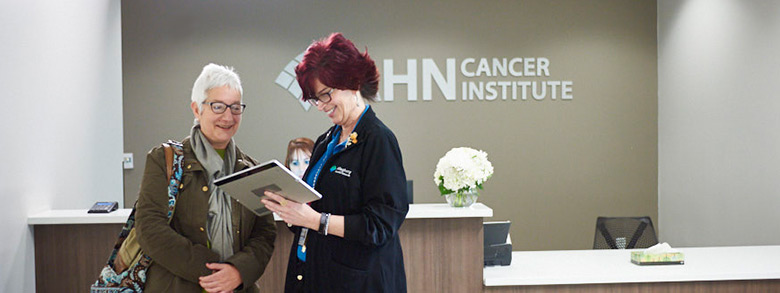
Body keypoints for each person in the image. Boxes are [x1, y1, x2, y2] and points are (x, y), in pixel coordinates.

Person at [262, 33, 409, 292]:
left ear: (352, 82)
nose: (321, 106)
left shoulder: (378, 140)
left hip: (358, 282)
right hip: (313, 273)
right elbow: (315, 205)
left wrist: (316, 220)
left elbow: (381, 225)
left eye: (326, 95)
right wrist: (290, 209)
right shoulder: (326, 140)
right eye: (315, 99)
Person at [136, 63, 276, 293]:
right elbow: (150, 228)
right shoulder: (165, 159)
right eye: (218, 106)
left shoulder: (251, 169)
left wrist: (238, 271)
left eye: (235, 107)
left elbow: (265, 233)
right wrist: (213, 272)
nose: (228, 117)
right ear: (196, 109)